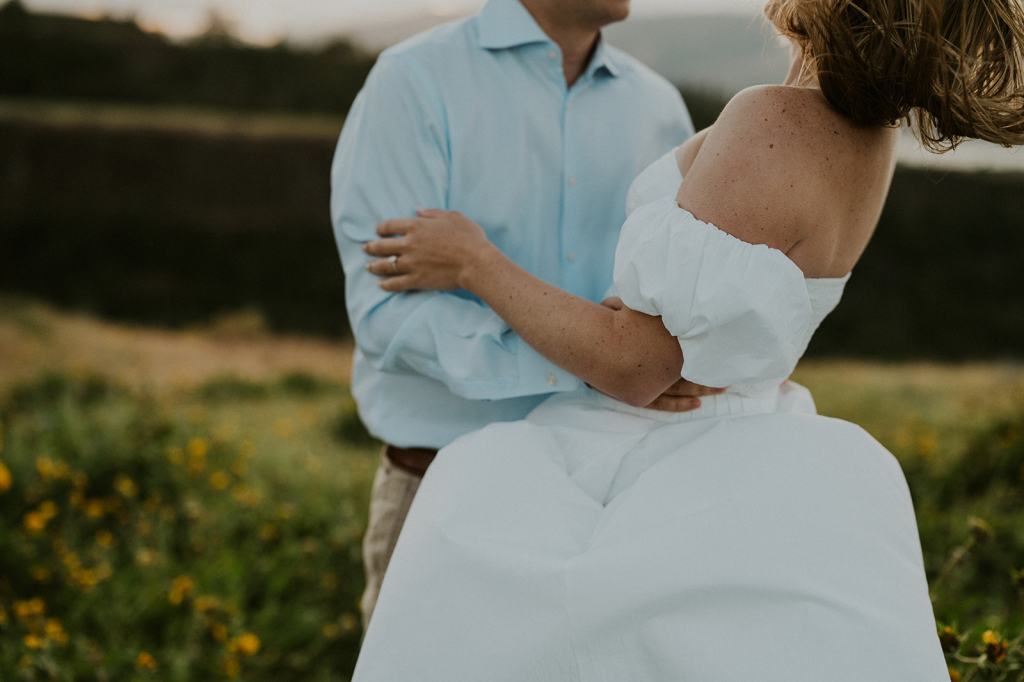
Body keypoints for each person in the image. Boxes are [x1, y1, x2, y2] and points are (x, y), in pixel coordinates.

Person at [353, 0, 1024, 678]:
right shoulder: (872, 145)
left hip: (641, 451)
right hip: (740, 436)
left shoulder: (766, 120)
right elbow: (737, 311)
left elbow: (637, 362)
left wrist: (476, 262)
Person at [330, 0, 707, 629]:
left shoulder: (659, 108)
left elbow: (673, 303)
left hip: (613, 496)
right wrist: (598, 359)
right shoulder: (413, 82)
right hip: (442, 490)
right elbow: (385, 315)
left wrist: (644, 358)